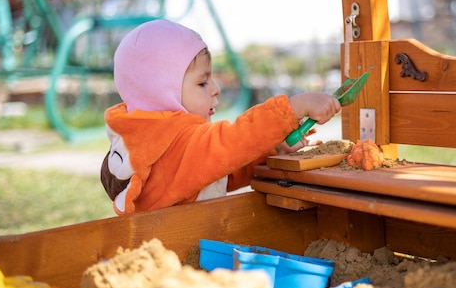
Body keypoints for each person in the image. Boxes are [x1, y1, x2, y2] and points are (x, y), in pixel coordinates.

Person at [100, 19, 340, 215]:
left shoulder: (157, 140)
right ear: (162, 92)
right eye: (202, 82)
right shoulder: (174, 144)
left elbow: (220, 170)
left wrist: (273, 149)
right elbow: (231, 141)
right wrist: (292, 109)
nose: (215, 88)